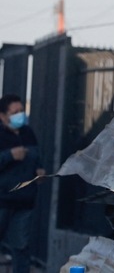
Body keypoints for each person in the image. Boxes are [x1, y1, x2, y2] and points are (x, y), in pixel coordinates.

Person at [0, 94, 45, 273]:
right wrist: (9, 156)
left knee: (21, 246)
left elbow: (37, 158)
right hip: (2, 200)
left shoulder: (28, 133)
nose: (20, 115)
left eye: (21, 111)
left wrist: (40, 172)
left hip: (24, 201)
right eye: (15, 112)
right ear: (3, 116)